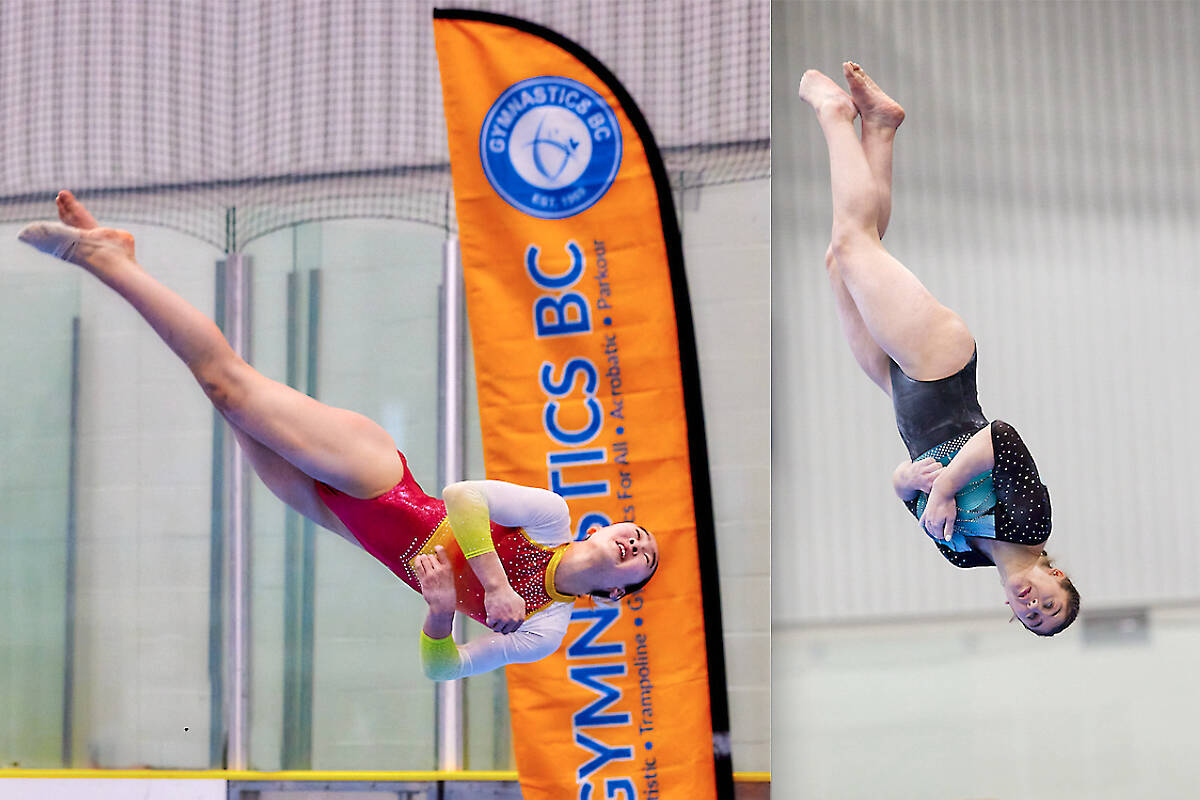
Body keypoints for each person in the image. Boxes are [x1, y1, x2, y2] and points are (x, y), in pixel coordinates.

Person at [18, 191, 660, 678]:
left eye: (643, 561)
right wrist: (492, 584)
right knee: (228, 386)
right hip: (378, 478)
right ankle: (111, 258)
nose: (636, 542)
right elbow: (464, 496)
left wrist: (439, 614)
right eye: (635, 533)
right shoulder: (550, 519)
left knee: (220, 397)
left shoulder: (545, 631)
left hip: (341, 520)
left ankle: (112, 256)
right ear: (600, 528)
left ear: (612, 597)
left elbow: (444, 668)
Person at [797, 63, 1079, 636]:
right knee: (853, 245)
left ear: (1011, 611)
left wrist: (910, 483)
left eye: (1032, 619)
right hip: (940, 367)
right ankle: (836, 116)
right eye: (1050, 603)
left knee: (842, 260)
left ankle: (879, 127)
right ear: (1057, 575)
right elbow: (1000, 437)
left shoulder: (961, 555)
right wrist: (945, 485)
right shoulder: (1030, 524)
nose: (1033, 605)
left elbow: (905, 486)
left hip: (899, 389)